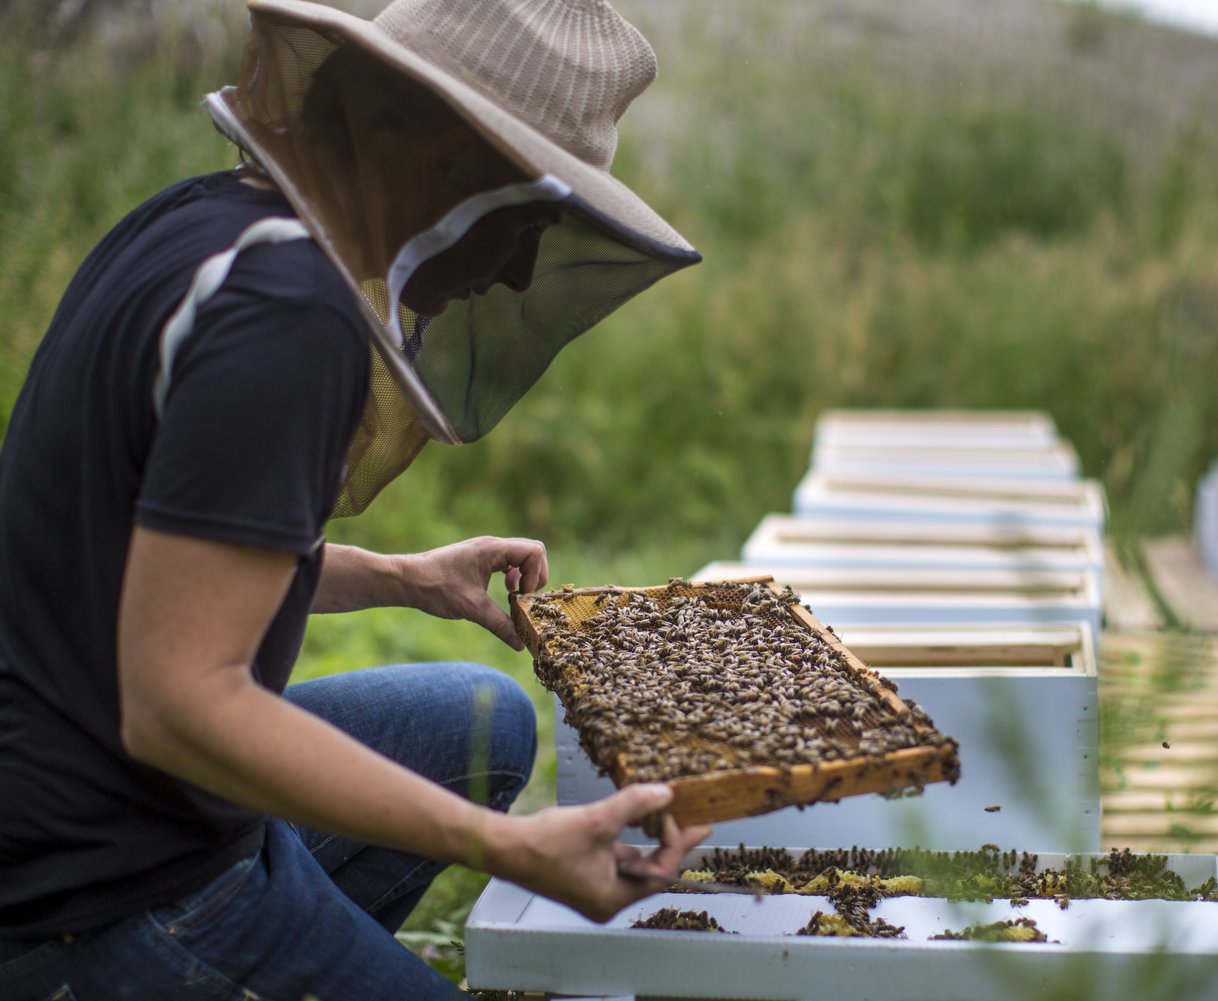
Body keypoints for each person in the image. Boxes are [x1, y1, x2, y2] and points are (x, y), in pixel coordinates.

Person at [0, 0, 707, 997]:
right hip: (106, 885)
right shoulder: (288, 314)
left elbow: (149, 554)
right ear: (438, 152)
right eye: (526, 216)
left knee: (482, 715)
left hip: (89, 786)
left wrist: (405, 578)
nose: (513, 268)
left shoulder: (202, 219)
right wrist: (500, 842)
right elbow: (178, 703)